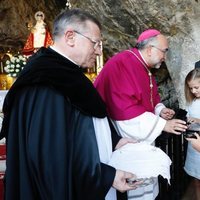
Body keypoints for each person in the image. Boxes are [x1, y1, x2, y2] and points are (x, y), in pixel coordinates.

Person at [0, 9, 139, 200]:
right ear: (71, 37)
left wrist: (115, 141)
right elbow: (50, 159)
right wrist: (107, 176)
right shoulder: (46, 83)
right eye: (95, 43)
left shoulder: (65, 73)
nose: (99, 50)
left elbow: (81, 123)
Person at [94, 29, 188, 200]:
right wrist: (163, 125)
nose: (164, 57)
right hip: (123, 138)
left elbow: (148, 98)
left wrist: (160, 110)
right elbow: (125, 110)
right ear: (150, 49)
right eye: (164, 51)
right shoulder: (123, 63)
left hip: (141, 134)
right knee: (133, 185)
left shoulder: (143, 65)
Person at [184, 68, 200, 199]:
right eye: (191, 88)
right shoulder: (192, 102)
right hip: (193, 148)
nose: (193, 91)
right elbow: (189, 117)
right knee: (196, 180)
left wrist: (198, 120)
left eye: (196, 87)